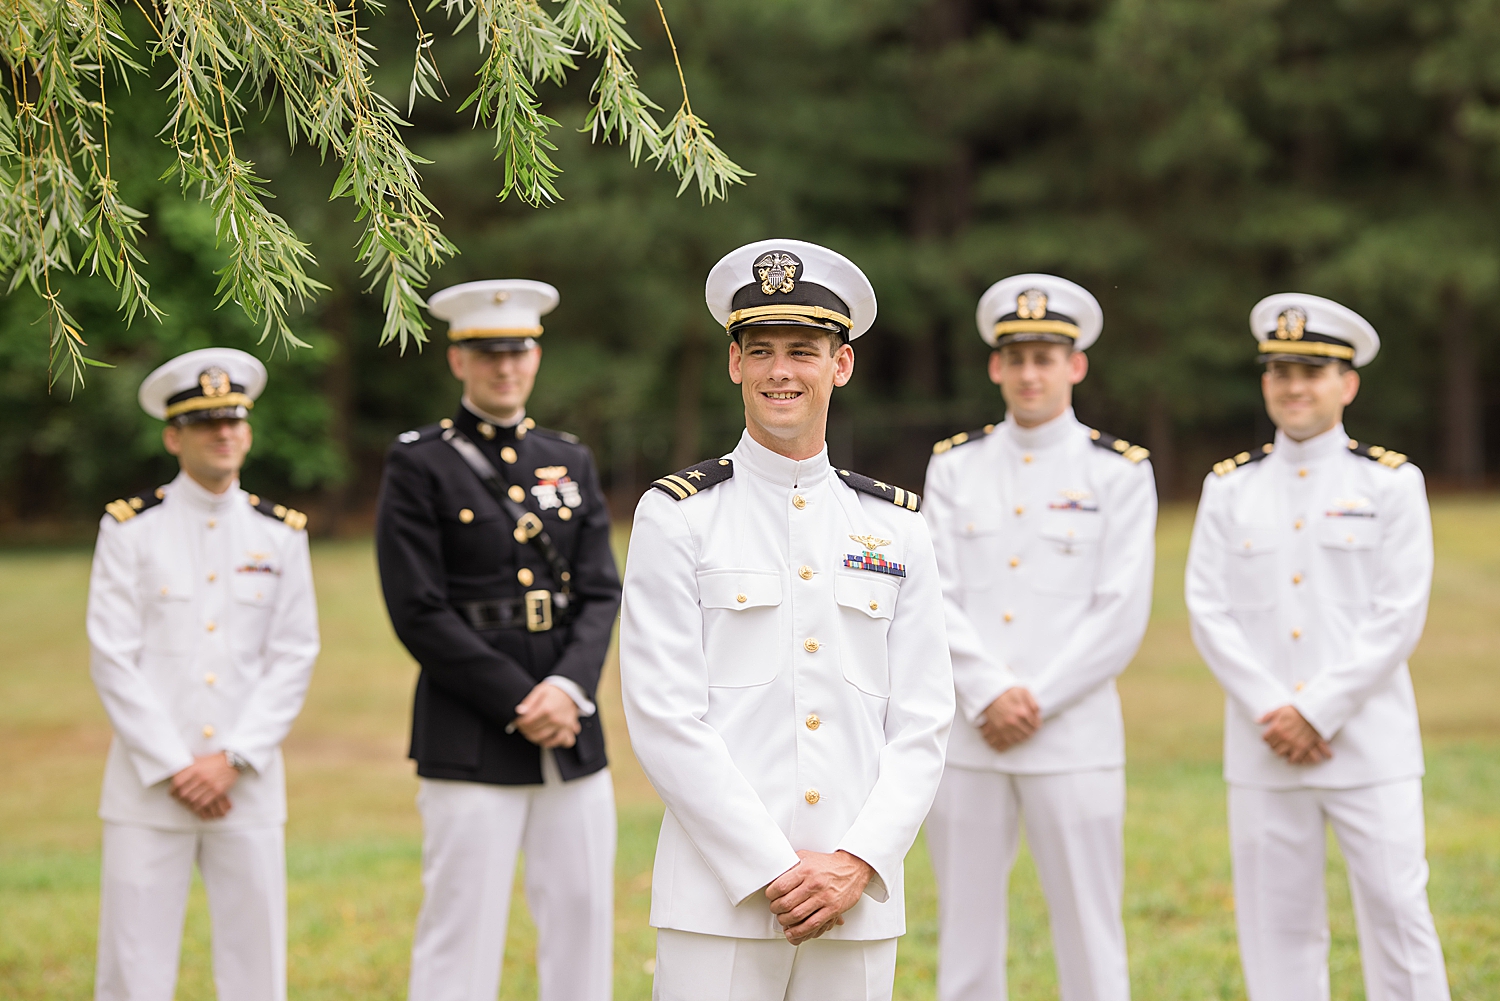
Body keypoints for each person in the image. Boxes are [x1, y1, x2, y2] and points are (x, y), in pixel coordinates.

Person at [619, 239, 955, 1001]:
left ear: (841, 364)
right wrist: (771, 867)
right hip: (719, 898)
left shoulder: (897, 526)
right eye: (760, 350)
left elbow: (926, 718)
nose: (781, 371)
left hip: (857, 898)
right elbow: (665, 714)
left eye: (804, 350)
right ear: (734, 363)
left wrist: (858, 859)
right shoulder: (678, 518)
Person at [1185, 293, 1450, 1001]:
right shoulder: (1229, 487)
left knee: (1398, 915)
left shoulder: (1391, 482)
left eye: (1312, 370)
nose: (1294, 385)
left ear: (1348, 382)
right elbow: (1207, 609)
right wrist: (1278, 710)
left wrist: (1319, 709)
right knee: (1276, 932)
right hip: (1265, 742)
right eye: (1279, 370)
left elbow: (1400, 612)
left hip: (1369, 742)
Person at [376, 279, 622, 1001]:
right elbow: (417, 608)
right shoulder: (419, 462)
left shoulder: (569, 458)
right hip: (470, 730)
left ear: (536, 356)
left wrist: (567, 689)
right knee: (462, 929)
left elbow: (601, 590)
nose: (504, 367)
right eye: (487, 354)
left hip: (571, 728)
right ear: (458, 360)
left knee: (582, 919)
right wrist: (520, 699)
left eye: (517, 352)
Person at [921, 275, 1156, 1001]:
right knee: (964, 936)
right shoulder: (954, 465)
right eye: (1016, 356)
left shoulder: (1118, 471)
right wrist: (991, 692)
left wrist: (1036, 699)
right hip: (971, 731)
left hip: (1074, 732)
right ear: (995, 364)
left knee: (1091, 930)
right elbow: (935, 594)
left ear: (1075, 364)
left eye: (1046, 357)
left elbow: (1120, 611)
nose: (1030, 373)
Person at [86, 347, 319, 1001]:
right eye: (207, 422)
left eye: (235, 420)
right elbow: (112, 654)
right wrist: (175, 764)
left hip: (247, 781)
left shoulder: (280, 534)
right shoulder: (130, 529)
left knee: (255, 966)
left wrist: (234, 757)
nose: (224, 433)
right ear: (173, 435)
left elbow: (295, 652)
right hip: (148, 784)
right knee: (134, 965)